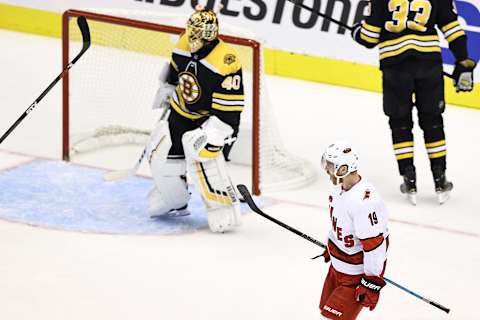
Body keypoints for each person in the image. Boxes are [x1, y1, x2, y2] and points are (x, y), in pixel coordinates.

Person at [351, 0, 477, 205]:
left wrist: (356, 31)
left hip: (395, 67)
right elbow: (453, 30)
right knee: (432, 120)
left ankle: (409, 178)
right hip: (429, 66)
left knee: (400, 122)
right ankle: (439, 177)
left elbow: (369, 37)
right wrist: (463, 61)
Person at [146, 5, 244, 232]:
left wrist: (217, 133)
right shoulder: (183, 43)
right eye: (190, 34)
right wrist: (167, 87)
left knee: (203, 156)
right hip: (180, 112)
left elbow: (230, 109)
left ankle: (222, 208)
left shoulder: (226, 61)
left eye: (197, 37)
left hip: (207, 118)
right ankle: (174, 200)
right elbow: (173, 71)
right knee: (162, 157)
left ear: (209, 38)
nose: (191, 41)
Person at [318, 141, 389, 320]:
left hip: (354, 277)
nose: (326, 169)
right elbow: (339, 223)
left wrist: (371, 281)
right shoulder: (337, 188)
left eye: (330, 165)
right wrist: (332, 245)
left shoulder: (364, 202)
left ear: (343, 169)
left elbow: (375, 246)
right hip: (338, 267)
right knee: (324, 312)